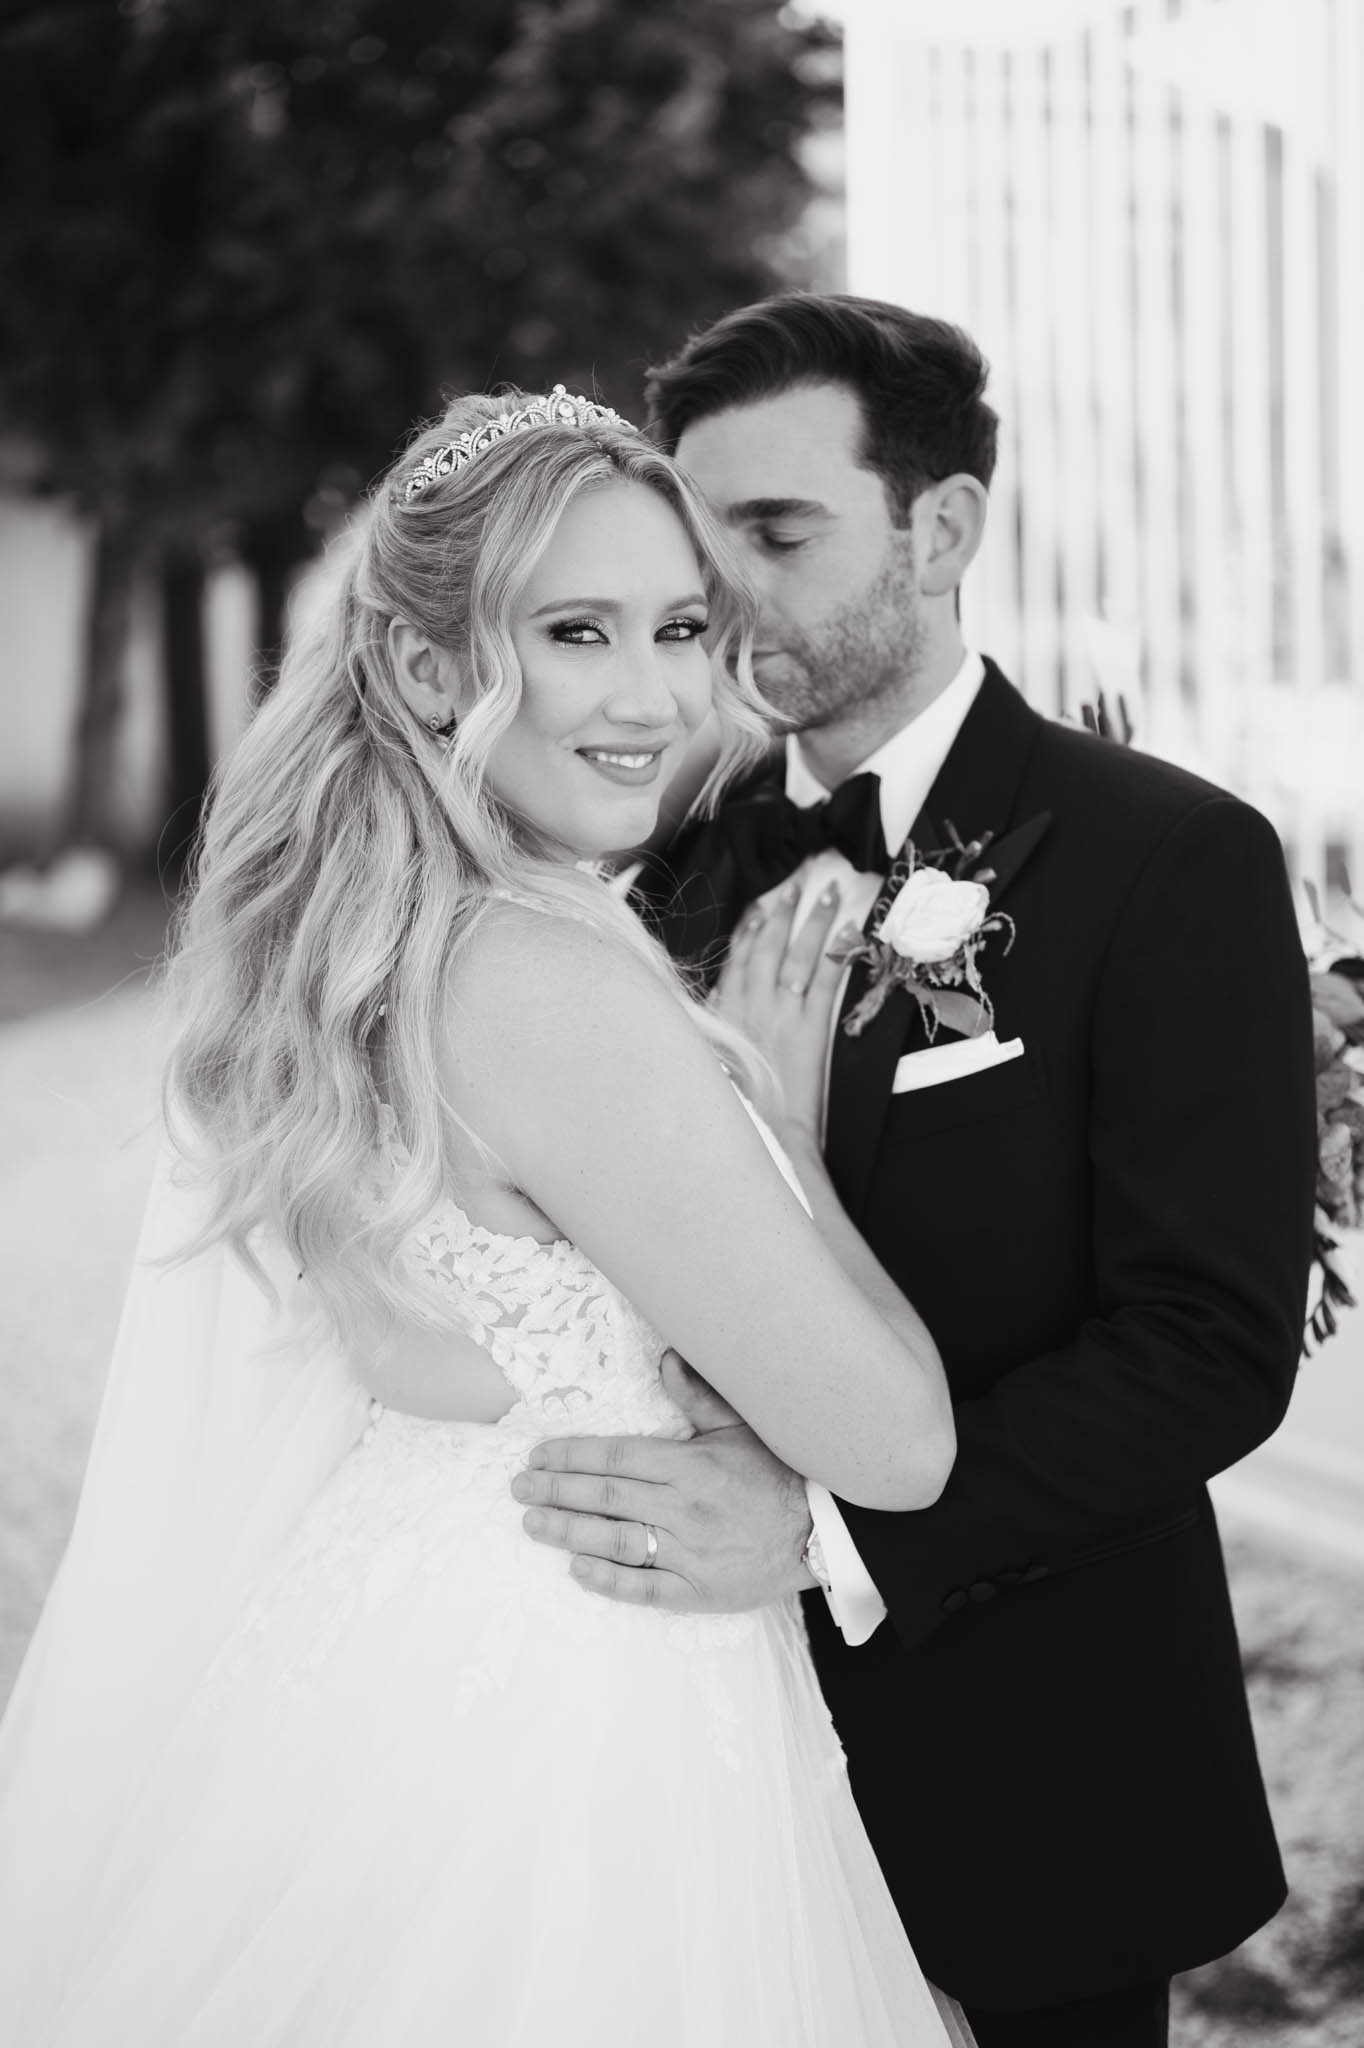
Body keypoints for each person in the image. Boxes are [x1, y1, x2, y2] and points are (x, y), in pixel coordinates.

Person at [0, 385, 977, 2047]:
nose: (653, 693)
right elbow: (899, 1448)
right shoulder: (544, 979)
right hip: (570, 1720)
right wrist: (789, 1141)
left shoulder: (357, 954)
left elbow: (441, 1371)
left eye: (680, 626)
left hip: (377, 1649)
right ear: (432, 666)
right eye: (576, 631)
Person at [509, 297, 1321, 2048]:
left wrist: (817, 1530)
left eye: (776, 531)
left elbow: (1206, 1344)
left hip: (1042, 1753)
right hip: (695, 1760)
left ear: (940, 529)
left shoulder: (1168, 860)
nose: (719, 588)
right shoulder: (648, 869)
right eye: (693, 534)